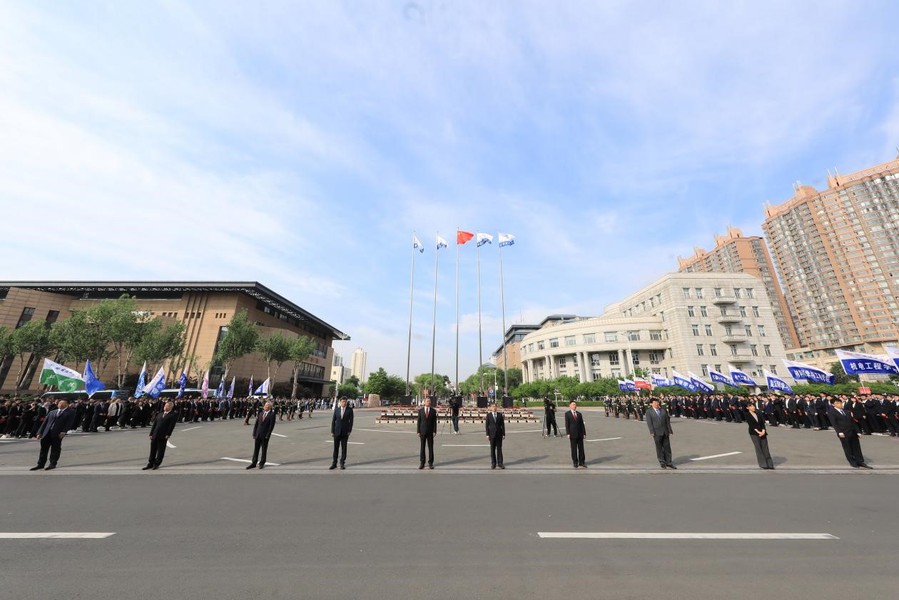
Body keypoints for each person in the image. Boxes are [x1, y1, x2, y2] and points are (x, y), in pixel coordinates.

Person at [30, 400, 76, 471]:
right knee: (43, 449)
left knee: (55, 449)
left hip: (57, 433)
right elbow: (45, 423)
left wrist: (64, 431)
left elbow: (69, 423)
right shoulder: (52, 412)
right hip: (47, 433)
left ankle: (52, 464)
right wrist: (40, 432)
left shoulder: (70, 412)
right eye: (59, 403)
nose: (60, 404)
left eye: (62, 403)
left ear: (67, 404)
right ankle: (40, 464)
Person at [828, 398, 871, 469]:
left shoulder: (847, 412)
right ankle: (852, 461)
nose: (840, 404)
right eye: (837, 403)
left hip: (852, 431)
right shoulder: (832, 412)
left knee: (856, 447)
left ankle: (860, 461)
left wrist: (858, 432)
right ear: (833, 404)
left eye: (840, 403)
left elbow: (853, 422)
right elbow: (834, 423)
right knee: (847, 447)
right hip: (843, 432)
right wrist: (839, 432)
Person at [144, 401, 177, 470]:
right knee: (153, 449)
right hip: (155, 434)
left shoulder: (173, 415)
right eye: (165, 405)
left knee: (160, 450)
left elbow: (171, 426)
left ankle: (157, 463)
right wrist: (151, 433)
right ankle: (150, 463)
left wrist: (168, 434)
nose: (165, 407)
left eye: (167, 406)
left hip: (163, 435)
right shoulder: (160, 414)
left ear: (171, 407)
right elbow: (154, 424)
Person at [645, 398, 676, 469]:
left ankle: (669, 462)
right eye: (655, 402)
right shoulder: (649, 411)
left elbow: (667, 421)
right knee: (659, 448)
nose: (657, 404)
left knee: (667, 447)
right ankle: (662, 462)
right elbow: (649, 423)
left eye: (657, 402)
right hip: (656, 432)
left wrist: (670, 430)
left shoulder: (663, 410)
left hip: (665, 431)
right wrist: (651, 431)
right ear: (651, 404)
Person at [247, 401, 276, 469]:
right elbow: (256, 424)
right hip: (258, 434)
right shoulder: (260, 413)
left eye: (267, 406)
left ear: (270, 407)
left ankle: (262, 463)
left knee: (264, 449)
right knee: (256, 449)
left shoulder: (272, 414)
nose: (265, 407)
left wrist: (268, 435)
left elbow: (271, 426)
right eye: (265, 406)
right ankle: (254, 463)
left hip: (265, 435)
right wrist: (254, 433)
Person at [746, 401, 774, 469]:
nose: (753, 407)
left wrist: (763, 431)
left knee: (765, 448)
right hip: (754, 433)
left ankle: (770, 464)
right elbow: (752, 425)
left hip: (762, 432)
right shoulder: (747, 415)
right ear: (748, 408)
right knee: (758, 447)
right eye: (751, 406)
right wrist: (759, 432)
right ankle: (763, 464)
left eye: (753, 406)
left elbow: (762, 423)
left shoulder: (758, 413)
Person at [330, 397, 354, 470]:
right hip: (336, 431)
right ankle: (334, 463)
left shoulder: (349, 410)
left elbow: (351, 421)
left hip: (345, 432)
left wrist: (349, 431)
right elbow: (333, 421)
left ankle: (342, 463)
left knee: (344, 448)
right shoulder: (337, 410)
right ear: (340, 402)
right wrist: (332, 431)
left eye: (345, 402)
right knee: (335, 448)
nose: (344, 403)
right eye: (343, 401)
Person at [417, 397, 438, 469]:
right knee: (422, 447)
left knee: (430, 447)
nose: (429, 402)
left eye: (429, 401)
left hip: (430, 432)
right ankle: (422, 462)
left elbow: (435, 422)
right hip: (422, 431)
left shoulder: (433, 411)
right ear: (424, 402)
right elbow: (419, 421)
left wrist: (434, 431)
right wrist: (418, 431)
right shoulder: (420, 411)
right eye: (427, 401)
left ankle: (430, 463)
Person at [564, 401, 586, 468]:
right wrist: (568, 433)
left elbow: (582, 424)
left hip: (580, 434)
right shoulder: (567, 414)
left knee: (581, 449)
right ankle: (575, 462)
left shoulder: (579, 414)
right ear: (570, 406)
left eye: (575, 405)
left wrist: (584, 433)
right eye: (573, 405)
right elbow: (567, 424)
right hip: (572, 434)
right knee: (574, 449)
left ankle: (581, 462)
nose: (575, 406)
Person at [485, 402, 505, 469]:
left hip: (499, 434)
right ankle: (493, 463)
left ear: (497, 407)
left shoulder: (500, 415)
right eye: (493, 406)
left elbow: (503, 425)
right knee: (492, 449)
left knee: (499, 449)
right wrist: (487, 434)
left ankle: (500, 463)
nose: (494, 408)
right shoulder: (489, 415)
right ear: (490, 408)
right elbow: (487, 425)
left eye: (495, 406)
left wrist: (503, 434)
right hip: (492, 434)